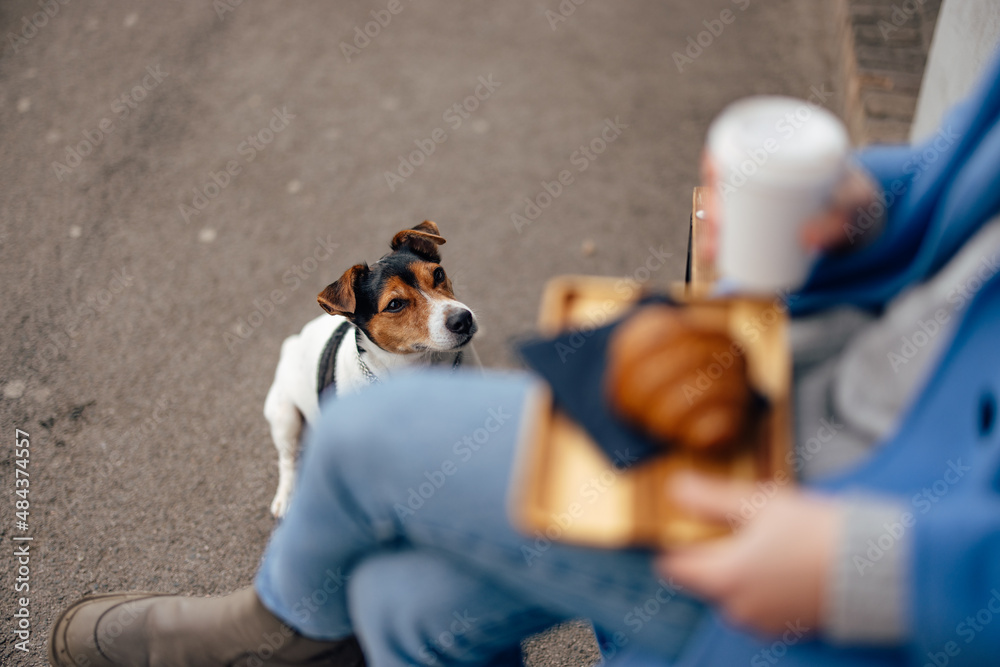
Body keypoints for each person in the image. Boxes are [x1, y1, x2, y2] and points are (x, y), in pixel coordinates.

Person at [48, 51, 1000, 667]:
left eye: (433, 282)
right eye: (401, 303)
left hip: (871, 550)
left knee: (373, 440)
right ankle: (314, 623)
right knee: (400, 601)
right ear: (361, 317)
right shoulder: (324, 350)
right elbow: (965, 175)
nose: (439, 309)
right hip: (810, 377)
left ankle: (274, 628)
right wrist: (863, 207)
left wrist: (878, 569)